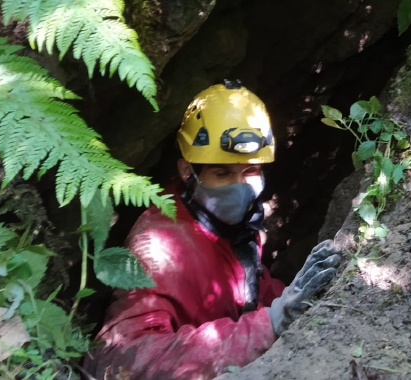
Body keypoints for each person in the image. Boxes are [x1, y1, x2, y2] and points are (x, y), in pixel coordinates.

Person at [85, 81, 342, 380]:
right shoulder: (158, 249)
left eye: (250, 171)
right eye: (222, 173)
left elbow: (246, 287)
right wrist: (271, 323)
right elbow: (118, 363)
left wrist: (301, 298)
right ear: (187, 171)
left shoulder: (232, 225)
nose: (240, 186)